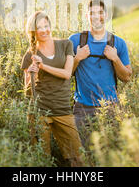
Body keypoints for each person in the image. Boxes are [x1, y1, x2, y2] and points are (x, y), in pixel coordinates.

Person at [21, 11, 84, 166]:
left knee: (78, 158)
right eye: (39, 27)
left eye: (46, 25)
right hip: (39, 112)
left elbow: (67, 74)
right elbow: (26, 90)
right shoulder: (30, 55)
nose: (44, 30)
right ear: (33, 31)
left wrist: (43, 66)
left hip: (62, 108)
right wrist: (32, 74)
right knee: (41, 159)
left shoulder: (65, 45)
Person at [68, 0, 132, 146]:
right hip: (82, 109)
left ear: (106, 15)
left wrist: (115, 59)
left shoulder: (118, 43)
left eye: (100, 13)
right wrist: (77, 58)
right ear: (86, 16)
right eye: (92, 13)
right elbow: (66, 74)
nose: (96, 16)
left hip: (111, 108)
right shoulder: (75, 40)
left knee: (111, 153)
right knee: (82, 155)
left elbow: (127, 77)